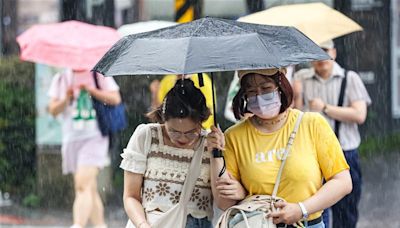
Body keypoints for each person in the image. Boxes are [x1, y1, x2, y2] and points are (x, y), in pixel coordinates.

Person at [209, 68, 353, 228]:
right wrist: (215, 154)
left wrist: (301, 209)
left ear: (281, 86)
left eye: (266, 89)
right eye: (251, 91)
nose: (259, 96)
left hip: (308, 223)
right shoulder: (234, 136)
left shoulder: (312, 124)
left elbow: (343, 182)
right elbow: (224, 203)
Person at [120, 79, 220, 228]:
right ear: (163, 118)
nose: (182, 138)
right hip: (152, 223)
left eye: (191, 132)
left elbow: (222, 201)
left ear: (202, 121)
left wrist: (217, 155)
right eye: (173, 131)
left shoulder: (211, 144)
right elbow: (131, 196)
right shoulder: (146, 136)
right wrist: (142, 224)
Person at [293, 40, 371, 228]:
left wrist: (325, 108)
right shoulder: (301, 79)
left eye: (325, 51)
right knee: (317, 211)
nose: (321, 57)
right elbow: (293, 115)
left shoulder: (349, 78)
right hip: (312, 156)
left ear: (334, 53)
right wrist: (296, 95)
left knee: (346, 212)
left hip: (344, 153)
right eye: (316, 53)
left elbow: (360, 115)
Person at [47, 69, 122, 228]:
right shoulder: (61, 78)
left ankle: (78, 224)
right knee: (89, 187)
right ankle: (100, 225)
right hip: (72, 138)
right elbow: (53, 109)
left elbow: (116, 98)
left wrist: (91, 91)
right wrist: (66, 99)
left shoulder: (98, 75)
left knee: (82, 185)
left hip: (95, 137)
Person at [149, 73, 214, 130]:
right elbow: (159, 111)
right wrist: (155, 93)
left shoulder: (203, 82)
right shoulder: (167, 80)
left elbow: (206, 114)